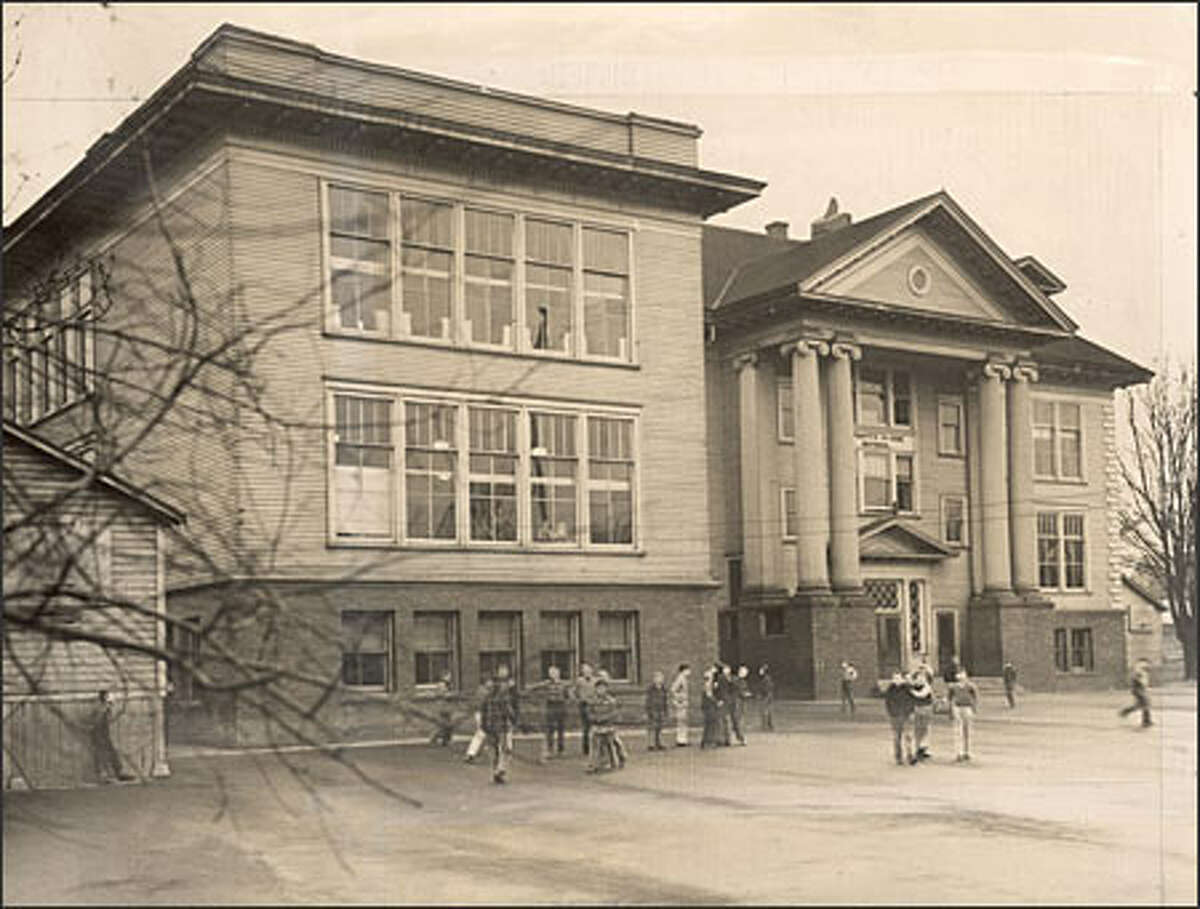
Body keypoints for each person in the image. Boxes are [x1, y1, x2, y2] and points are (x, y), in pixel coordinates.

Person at [480, 672, 517, 784]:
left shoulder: (487, 697)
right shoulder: (503, 697)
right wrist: (514, 720)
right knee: (503, 749)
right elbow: (508, 711)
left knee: (494, 750)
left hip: (490, 726)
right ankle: (499, 770)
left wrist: (483, 725)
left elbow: (483, 712)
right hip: (501, 726)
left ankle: (495, 770)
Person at [91, 690, 135, 783]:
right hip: (98, 734)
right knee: (101, 753)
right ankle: (103, 775)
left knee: (111, 752)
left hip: (104, 734)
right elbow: (96, 721)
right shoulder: (99, 708)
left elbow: (109, 720)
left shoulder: (105, 708)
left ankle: (118, 772)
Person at [531, 664, 569, 759]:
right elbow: (534, 688)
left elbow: (568, 695)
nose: (553, 675)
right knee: (550, 729)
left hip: (560, 706)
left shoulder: (563, 684)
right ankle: (550, 750)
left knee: (561, 729)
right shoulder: (547, 684)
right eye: (551, 673)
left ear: (558, 673)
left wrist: (565, 701)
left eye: (555, 673)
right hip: (551, 706)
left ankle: (561, 750)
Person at [586, 678, 622, 772]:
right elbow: (589, 712)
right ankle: (593, 765)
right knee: (595, 746)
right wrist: (595, 718)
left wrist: (605, 718)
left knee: (612, 744)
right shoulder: (592, 700)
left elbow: (614, 712)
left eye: (603, 688)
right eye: (599, 688)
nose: (600, 690)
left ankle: (614, 762)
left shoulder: (611, 700)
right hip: (596, 726)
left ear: (606, 689)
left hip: (608, 726)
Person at [883, 672, 916, 766]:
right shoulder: (890, 690)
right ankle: (898, 757)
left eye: (898, 678)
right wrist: (891, 713)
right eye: (894, 678)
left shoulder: (907, 689)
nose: (896, 680)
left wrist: (910, 712)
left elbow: (912, 701)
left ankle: (910, 755)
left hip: (906, 715)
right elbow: (888, 703)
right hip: (895, 716)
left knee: (908, 736)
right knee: (896, 737)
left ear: (902, 679)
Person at [948, 669, 979, 762]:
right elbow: (950, 698)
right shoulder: (953, 687)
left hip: (967, 708)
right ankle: (959, 752)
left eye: (962, 674)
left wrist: (974, 708)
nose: (961, 676)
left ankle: (967, 751)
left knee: (968, 731)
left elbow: (975, 697)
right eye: (959, 674)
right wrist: (951, 710)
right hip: (958, 707)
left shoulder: (971, 686)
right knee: (958, 731)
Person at [462, 678, 491, 763]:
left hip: (481, 713)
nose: (491, 683)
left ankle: (475, 752)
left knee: (483, 734)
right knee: (481, 733)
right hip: (482, 714)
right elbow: (483, 704)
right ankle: (471, 754)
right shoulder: (484, 692)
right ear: (485, 682)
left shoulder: (481, 691)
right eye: (489, 681)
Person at [909, 669, 934, 763]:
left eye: (923, 677)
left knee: (925, 729)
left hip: (926, 709)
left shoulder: (927, 687)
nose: (921, 679)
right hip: (917, 709)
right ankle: (918, 748)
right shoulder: (914, 686)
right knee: (917, 730)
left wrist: (911, 692)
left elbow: (921, 695)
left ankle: (924, 748)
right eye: (919, 677)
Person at [1119, 659, 1153, 728]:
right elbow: (1136, 679)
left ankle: (1125, 711)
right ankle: (1146, 721)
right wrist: (1140, 683)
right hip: (1138, 690)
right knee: (1146, 703)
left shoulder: (1143, 672)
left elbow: (1144, 681)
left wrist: (1145, 687)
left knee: (1140, 705)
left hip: (1140, 689)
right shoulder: (1138, 671)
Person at [426, 670, 457, 747]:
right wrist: (451, 695)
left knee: (448, 724)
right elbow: (442, 694)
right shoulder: (442, 685)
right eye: (448, 676)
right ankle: (434, 739)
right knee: (442, 725)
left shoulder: (448, 685)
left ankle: (446, 740)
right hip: (442, 706)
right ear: (444, 676)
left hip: (447, 706)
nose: (450, 677)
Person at [574, 662, 597, 757]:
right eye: (584, 671)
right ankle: (586, 749)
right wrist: (579, 699)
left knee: (595, 727)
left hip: (594, 705)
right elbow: (574, 692)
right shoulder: (579, 681)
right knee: (586, 728)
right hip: (583, 705)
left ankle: (595, 747)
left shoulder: (595, 681)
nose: (586, 673)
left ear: (591, 671)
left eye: (588, 671)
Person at [645, 670, 669, 750]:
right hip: (653, 710)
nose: (660, 679)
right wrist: (648, 710)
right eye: (658, 678)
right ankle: (651, 744)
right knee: (652, 727)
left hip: (661, 709)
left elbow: (665, 700)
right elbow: (648, 700)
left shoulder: (663, 689)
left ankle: (659, 743)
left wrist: (666, 710)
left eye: (661, 678)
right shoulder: (651, 689)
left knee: (660, 727)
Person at [670, 663, 691, 747]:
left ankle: (683, 739)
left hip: (683, 703)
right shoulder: (680, 679)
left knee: (683, 721)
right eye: (688, 670)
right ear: (684, 670)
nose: (689, 672)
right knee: (681, 721)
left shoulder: (683, 679)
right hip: (681, 704)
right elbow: (673, 689)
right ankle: (680, 739)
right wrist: (680, 699)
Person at [700, 668, 720, 749]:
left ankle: (705, 742)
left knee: (708, 724)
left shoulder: (707, 685)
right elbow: (710, 696)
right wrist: (717, 702)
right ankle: (709, 741)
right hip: (709, 707)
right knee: (711, 724)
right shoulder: (708, 685)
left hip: (707, 707)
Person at [757, 663, 775, 732]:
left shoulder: (766, 679)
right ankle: (769, 725)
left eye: (761, 670)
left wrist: (762, 695)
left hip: (766, 696)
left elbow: (766, 688)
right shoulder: (766, 678)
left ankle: (765, 726)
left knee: (764, 711)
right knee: (767, 711)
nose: (760, 671)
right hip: (767, 696)